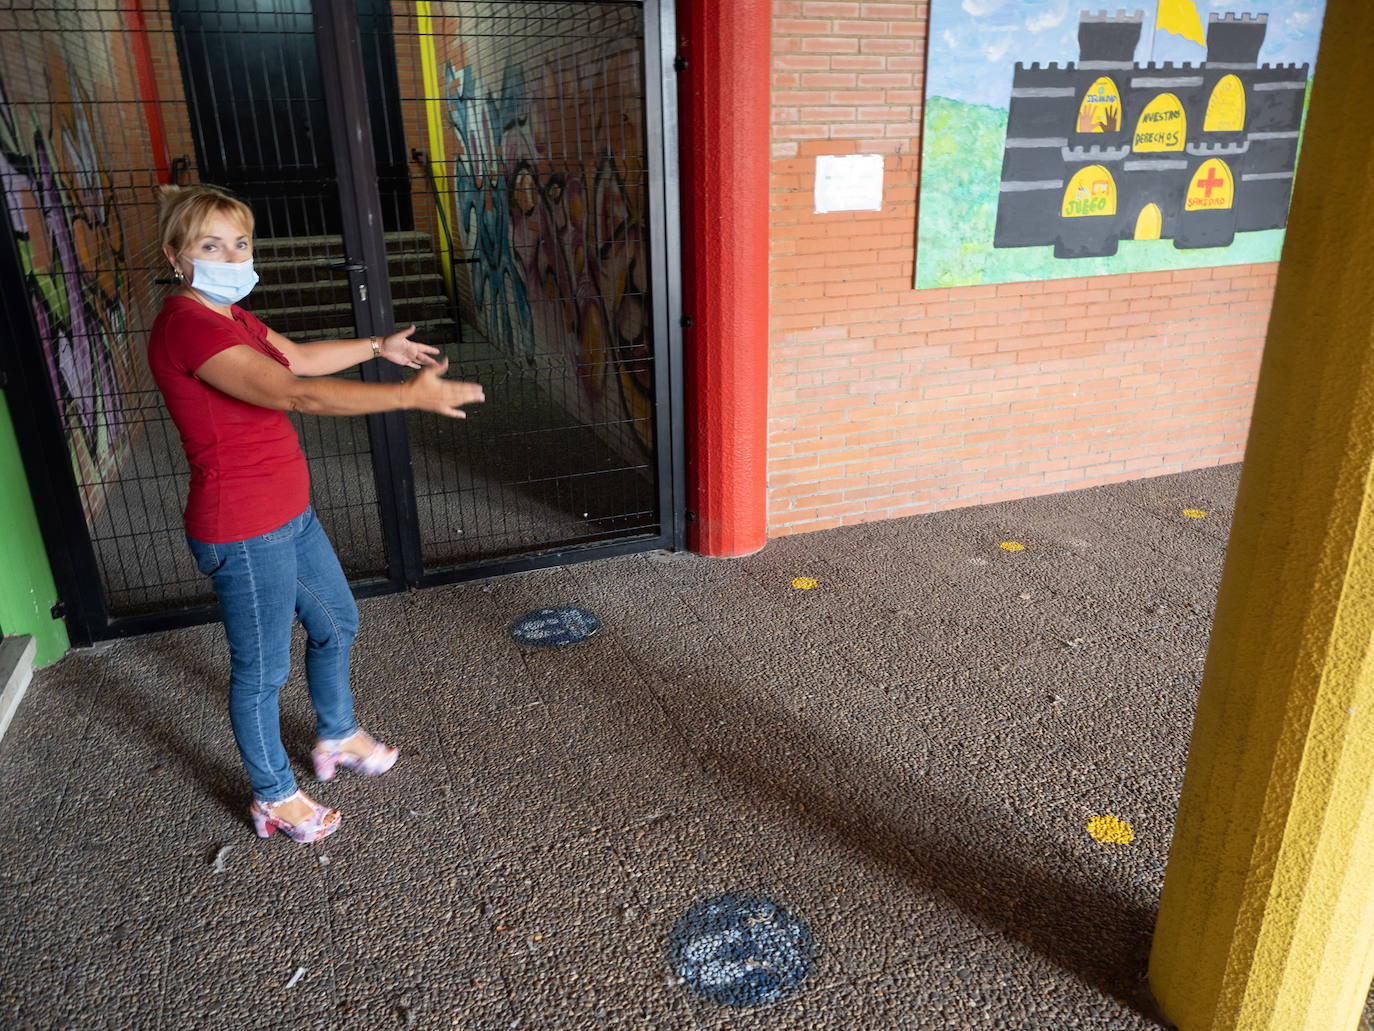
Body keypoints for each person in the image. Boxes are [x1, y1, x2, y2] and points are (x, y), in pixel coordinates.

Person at [147, 184, 484, 844]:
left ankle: (336, 731)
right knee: (263, 672)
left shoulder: (228, 315)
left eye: (240, 242)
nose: (231, 255)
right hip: (242, 528)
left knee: (337, 620)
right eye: (211, 244)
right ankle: (273, 793)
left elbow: (296, 356)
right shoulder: (186, 324)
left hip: (288, 511)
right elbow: (295, 392)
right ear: (176, 255)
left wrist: (377, 347)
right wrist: (402, 397)